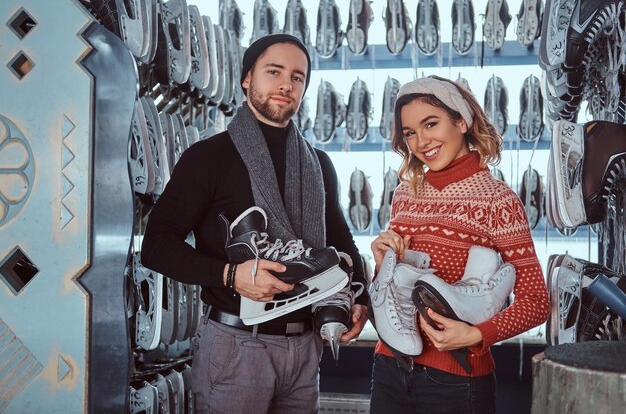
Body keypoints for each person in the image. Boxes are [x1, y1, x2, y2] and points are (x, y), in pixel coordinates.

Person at [141, 34, 369, 414]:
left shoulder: (319, 164)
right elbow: (157, 246)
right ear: (248, 79)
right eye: (274, 71)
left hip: (306, 343)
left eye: (298, 77)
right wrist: (231, 275)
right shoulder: (208, 158)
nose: (286, 85)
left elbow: (341, 240)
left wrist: (359, 298)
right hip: (237, 343)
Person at [369, 75, 550, 414]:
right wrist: (383, 263)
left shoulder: (498, 201)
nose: (421, 141)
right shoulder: (405, 194)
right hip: (389, 367)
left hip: (456, 379)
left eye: (430, 124)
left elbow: (536, 302)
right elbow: (393, 293)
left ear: (462, 121)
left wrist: (476, 335)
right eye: (410, 132)